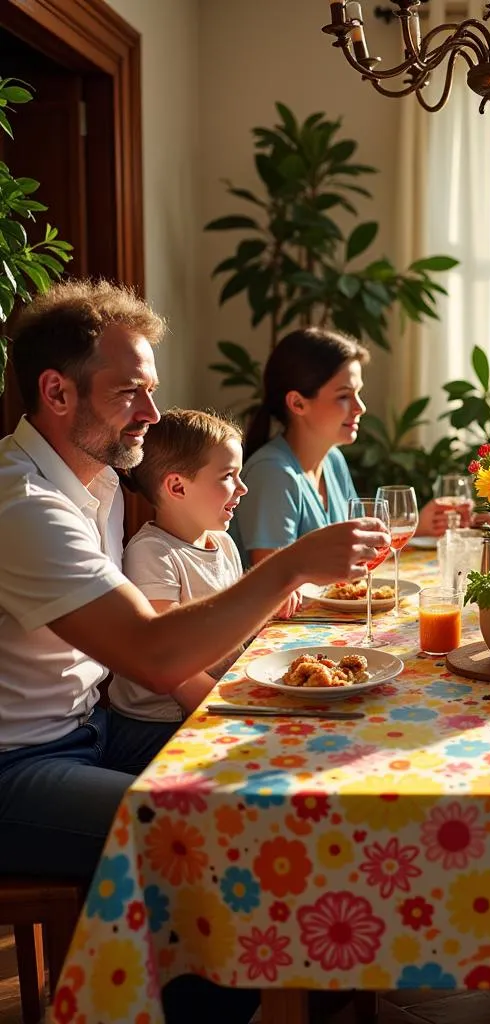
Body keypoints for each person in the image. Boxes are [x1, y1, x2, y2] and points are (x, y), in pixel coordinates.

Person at [0, 279, 386, 888]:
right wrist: (290, 565)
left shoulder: (93, 484)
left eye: (150, 392)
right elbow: (153, 656)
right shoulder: (24, 505)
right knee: (207, 831)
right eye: (130, 394)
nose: (151, 416)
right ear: (57, 391)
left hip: (93, 732)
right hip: (19, 767)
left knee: (288, 772)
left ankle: (324, 976)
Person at [230, 326, 451, 569]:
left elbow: (360, 550)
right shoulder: (272, 474)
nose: (360, 407)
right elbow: (273, 582)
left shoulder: (333, 460)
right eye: (344, 396)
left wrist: (419, 527)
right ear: (297, 403)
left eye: (358, 393)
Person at [110, 408, 262, 726]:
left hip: (212, 698)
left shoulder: (223, 543)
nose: (242, 487)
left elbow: (231, 627)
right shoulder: (152, 554)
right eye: (227, 477)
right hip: (156, 723)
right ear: (178, 487)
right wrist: (236, 716)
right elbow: (175, 668)